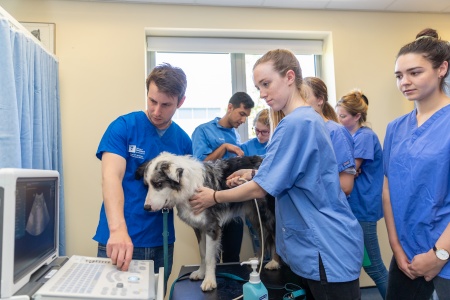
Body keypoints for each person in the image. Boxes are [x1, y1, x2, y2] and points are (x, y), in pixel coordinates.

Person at [191, 49, 364, 300]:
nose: (262, 94)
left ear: (290, 77)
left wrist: (215, 196)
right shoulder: (306, 120)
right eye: (258, 87)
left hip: (324, 246)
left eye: (266, 84)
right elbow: (292, 172)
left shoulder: (295, 123)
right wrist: (252, 172)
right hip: (320, 246)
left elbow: (262, 188)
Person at [93, 63, 192, 278]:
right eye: (152, 101)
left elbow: (185, 191)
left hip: (161, 241)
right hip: (120, 237)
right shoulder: (124, 127)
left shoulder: (183, 141)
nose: (156, 111)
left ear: (181, 102)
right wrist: (118, 230)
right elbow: (111, 177)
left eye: (166, 105)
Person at [383, 28, 450, 300]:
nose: (404, 82)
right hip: (405, 258)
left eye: (415, 72)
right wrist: (396, 247)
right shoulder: (395, 128)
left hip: (443, 258)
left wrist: (439, 255)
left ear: (441, 69)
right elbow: (387, 189)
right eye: (399, 75)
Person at [335, 90, 388, 299]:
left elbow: (351, 171)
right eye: (338, 115)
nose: (339, 121)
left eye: (344, 116)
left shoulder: (364, 136)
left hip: (363, 208)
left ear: (357, 116)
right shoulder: (349, 136)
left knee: (374, 267)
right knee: (353, 266)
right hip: (354, 208)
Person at [191, 91, 254, 263]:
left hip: (233, 206)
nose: (243, 120)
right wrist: (224, 147)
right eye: (241, 114)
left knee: (232, 256)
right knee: (211, 256)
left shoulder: (236, 135)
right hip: (209, 206)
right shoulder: (203, 131)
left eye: (246, 117)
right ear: (230, 107)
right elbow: (200, 165)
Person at [302, 77, 356, 196]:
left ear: (320, 100)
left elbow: (346, 186)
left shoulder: (336, 132)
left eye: (304, 97)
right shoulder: (301, 132)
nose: (300, 103)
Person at [240, 108, 271, 258]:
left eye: (264, 132)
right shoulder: (246, 147)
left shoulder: (277, 146)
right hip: (253, 204)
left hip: (273, 202)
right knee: (259, 241)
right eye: (256, 130)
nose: (259, 135)